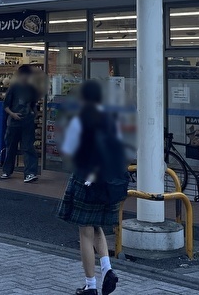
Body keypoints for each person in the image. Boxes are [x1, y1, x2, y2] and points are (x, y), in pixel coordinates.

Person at [57, 80, 120, 295]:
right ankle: (107, 269)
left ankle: (91, 285)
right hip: (107, 180)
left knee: (84, 232)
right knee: (97, 227)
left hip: (85, 178)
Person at [0, 64, 40, 182]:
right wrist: (13, 114)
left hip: (27, 122)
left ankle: (30, 173)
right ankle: (7, 171)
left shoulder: (32, 88)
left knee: (28, 147)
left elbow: (34, 105)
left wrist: (34, 114)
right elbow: (5, 106)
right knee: (11, 147)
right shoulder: (13, 88)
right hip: (13, 123)